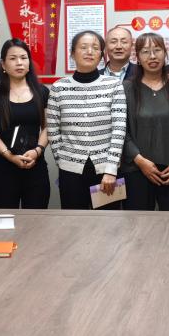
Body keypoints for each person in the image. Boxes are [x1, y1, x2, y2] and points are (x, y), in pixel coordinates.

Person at [46, 30, 127, 209]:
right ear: (72, 53)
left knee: (108, 222)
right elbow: (52, 130)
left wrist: (111, 169)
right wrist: (64, 161)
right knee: (74, 221)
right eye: (83, 47)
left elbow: (119, 129)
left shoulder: (113, 85)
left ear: (101, 55)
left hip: (106, 171)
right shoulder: (59, 88)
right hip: (70, 172)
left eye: (95, 48)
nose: (89, 51)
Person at [122, 32, 169, 211]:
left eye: (157, 50)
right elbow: (120, 130)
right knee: (137, 223)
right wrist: (139, 160)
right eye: (145, 51)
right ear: (137, 57)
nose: (152, 56)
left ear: (165, 53)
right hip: (136, 169)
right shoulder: (126, 88)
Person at [0, 39, 50, 209]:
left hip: (35, 165)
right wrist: (9, 156)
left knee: (36, 220)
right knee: (5, 219)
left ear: (29, 62)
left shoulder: (42, 92)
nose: (19, 62)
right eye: (13, 58)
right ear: (3, 64)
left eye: (23, 57)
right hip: (4, 167)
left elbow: (48, 128)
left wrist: (37, 151)